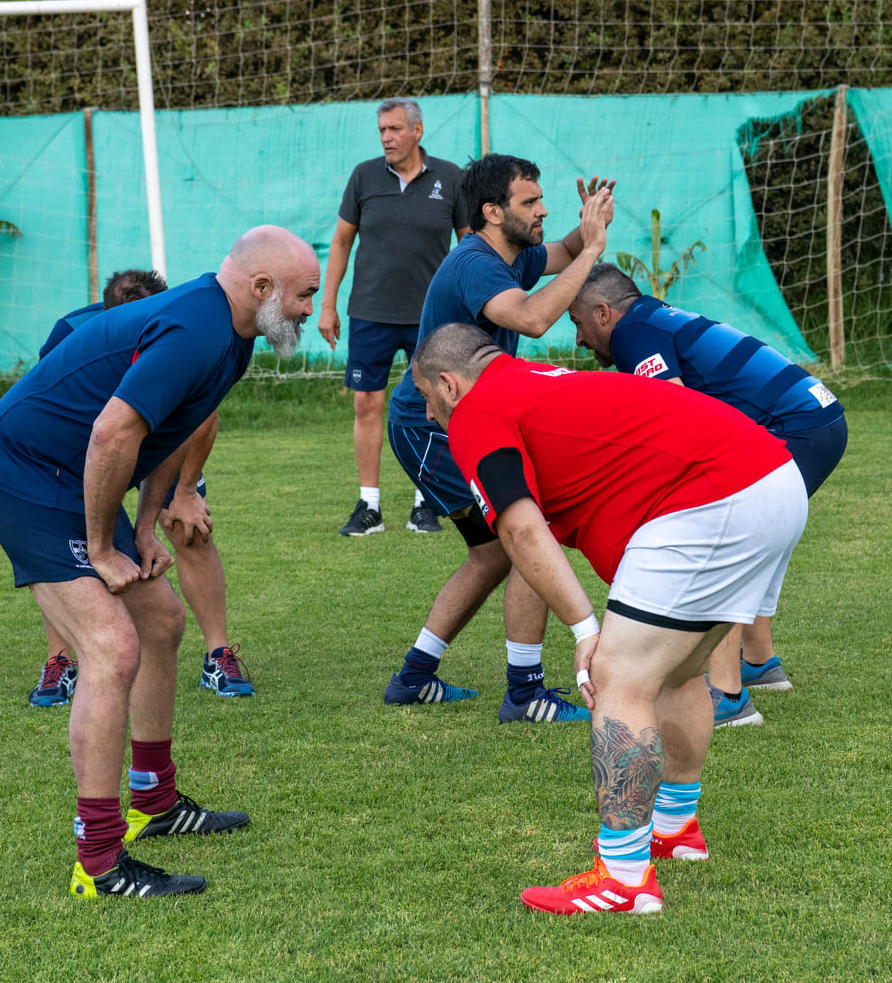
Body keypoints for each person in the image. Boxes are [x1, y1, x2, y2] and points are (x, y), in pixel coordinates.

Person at [409, 323, 808, 915]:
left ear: (449, 383)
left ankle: (623, 876)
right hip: (774, 478)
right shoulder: (529, 380)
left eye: (425, 398)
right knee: (678, 671)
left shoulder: (476, 410)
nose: (431, 415)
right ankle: (674, 829)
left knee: (619, 678)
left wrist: (584, 629)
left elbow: (520, 528)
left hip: (715, 494)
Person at [0, 226, 318, 900]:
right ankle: (98, 863)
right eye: (303, 294)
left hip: (72, 475)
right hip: (25, 474)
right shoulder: (195, 329)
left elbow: (172, 428)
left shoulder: (234, 339)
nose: (310, 307)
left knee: (159, 618)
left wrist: (149, 519)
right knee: (112, 644)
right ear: (261, 288)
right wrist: (103, 546)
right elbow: (111, 431)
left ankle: (154, 802)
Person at [380, 154, 614, 724]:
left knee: (492, 555)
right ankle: (525, 692)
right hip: (431, 424)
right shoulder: (477, 265)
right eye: (529, 202)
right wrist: (591, 254)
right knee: (526, 533)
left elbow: (556, 254)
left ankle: (413, 677)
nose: (542, 210)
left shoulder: (511, 254)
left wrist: (587, 229)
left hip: (463, 421)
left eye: (540, 200)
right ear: (492, 212)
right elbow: (532, 319)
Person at [567, 264, 847, 730]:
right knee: (748, 535)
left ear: (602, 313)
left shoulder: (632, 333)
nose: (578, 340)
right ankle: (759, 662)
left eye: (577, 323)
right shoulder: (652, 317)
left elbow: (673, 418)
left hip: (797, 427)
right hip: (819, 418)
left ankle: (729, 695)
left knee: (727, 542)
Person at [318, 98, 471, 536]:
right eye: (382, 129)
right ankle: (370, 506)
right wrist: (328, 304)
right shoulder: (364, 177)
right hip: (370, 312)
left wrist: (468, 301)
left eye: (395, 129)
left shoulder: (449, 178)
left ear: (417, 131)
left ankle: (427, 500)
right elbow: (342, 242)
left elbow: (467, 245)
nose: (386, 137)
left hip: (432, 315)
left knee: (434, 406)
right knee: (368, 402)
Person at [27, 268, 170, 706]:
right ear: (107, 317)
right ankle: (60, 662)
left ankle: (217, 655)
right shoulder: (70, 333)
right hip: (74, 458)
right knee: (62, 559)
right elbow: (45, 407)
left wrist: (173, 501)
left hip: (153, 443)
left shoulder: (176, 339)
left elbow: (198, 418)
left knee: (189, 531)